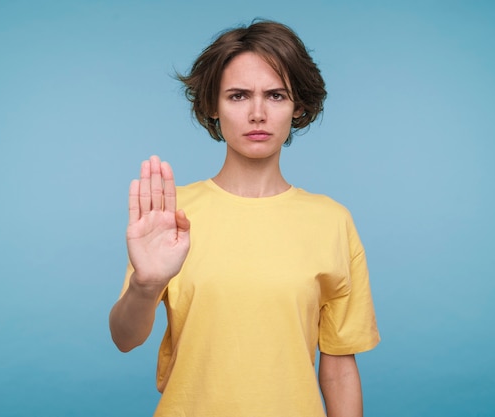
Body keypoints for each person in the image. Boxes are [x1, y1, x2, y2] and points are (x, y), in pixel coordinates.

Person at [109, 20, 380, 417]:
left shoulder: (331, 221)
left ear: (298, 105)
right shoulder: (172, 215)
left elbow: (338, 368)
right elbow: (124, 338)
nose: (257, 113)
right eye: (238, 96)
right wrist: (145, 285)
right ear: (212, 107)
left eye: (275, 95)